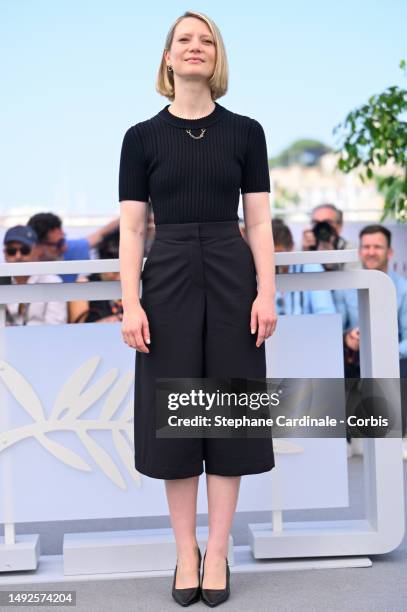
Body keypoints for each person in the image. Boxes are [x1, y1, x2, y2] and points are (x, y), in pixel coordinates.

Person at [118, 11, 277, 607]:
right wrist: (131, 301)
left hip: (234, 275)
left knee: (229, 416)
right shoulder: (140, 137)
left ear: (217, 58)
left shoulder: (246, 132)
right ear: (167, 57)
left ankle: (221, 548)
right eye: (184, 40)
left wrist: (267, 290)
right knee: (180, 417)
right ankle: (187, 551)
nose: (195, 48)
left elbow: (258, 220)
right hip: (169, 273)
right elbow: (133, 231)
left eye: (205, 40)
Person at [337, 224, 407, 456]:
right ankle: (345, 439)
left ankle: (401, 437)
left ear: (389, 252)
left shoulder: (403, 289)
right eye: (366, 246)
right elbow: (340, 325)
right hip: (355, 353)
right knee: (335, 360)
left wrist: (387, 351)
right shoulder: (347, 287)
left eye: (377, 246)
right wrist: (347, 339)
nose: (370, 252)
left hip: (394, 355)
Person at [27, 212, 120, 283]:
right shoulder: (24, 265)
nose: (65, 248)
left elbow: (101, 234)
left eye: (64, 240)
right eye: (59, 244)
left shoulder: (69, 249)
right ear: (38, 247)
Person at [3, 225, 67, 325]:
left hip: (43, 340)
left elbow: (55, 327)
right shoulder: (2, 283)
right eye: (12, 251)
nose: (18, 256)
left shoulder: (52, 283)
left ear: (37, 251)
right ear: (5, 254)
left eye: (25, 250)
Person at [272, 219, 336, 315]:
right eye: (270, 256)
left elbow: (326, 313)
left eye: (280, 254)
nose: (275, 263)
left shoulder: (311, 268)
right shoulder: (255, 272)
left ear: (292, 247)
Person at [69, 229, 123, 324]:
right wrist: (105, 322)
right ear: (101, 264)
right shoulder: (84, 285)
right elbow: (77, 327)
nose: (119, 278)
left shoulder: (136, 283)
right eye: (115, 272)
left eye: (124, 271)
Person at [302, 203, 358, 271]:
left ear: (339, 226)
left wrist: (331, 258)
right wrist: (304, 255)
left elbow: (351, 279)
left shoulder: (350, 250)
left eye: (327, 223)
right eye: (316, 223)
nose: (321, 228)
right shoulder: (303, 248)